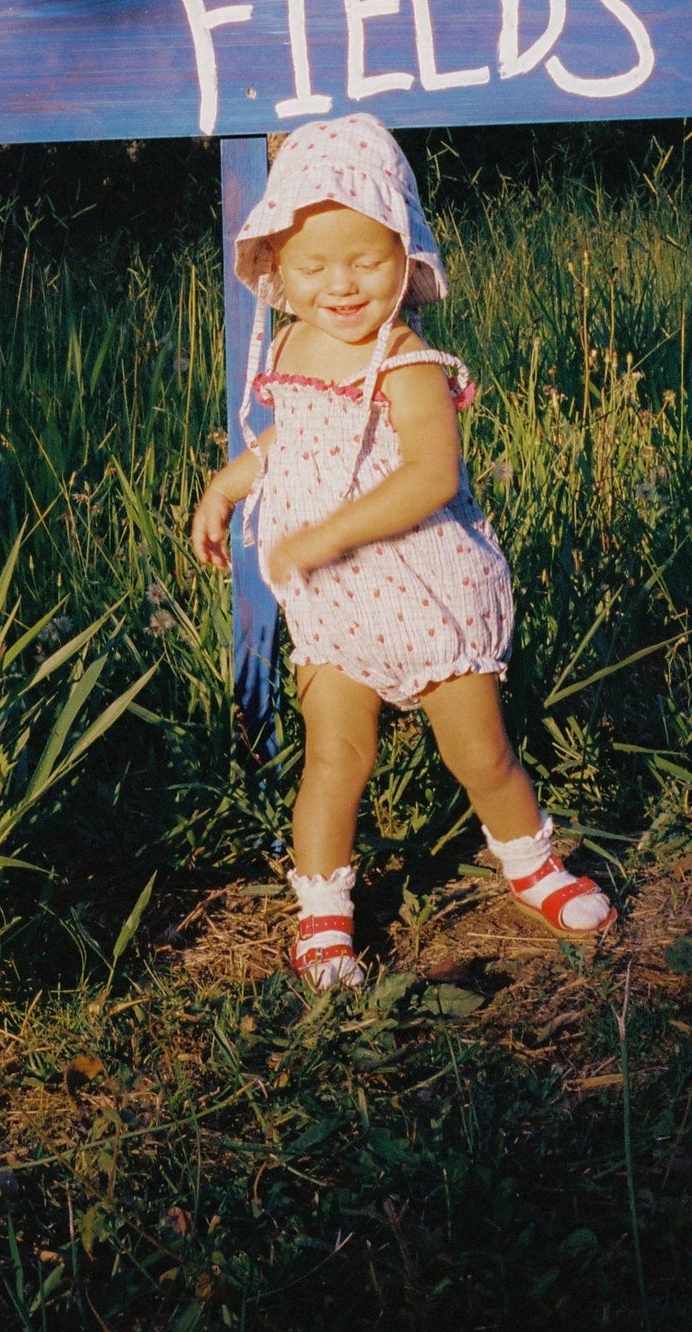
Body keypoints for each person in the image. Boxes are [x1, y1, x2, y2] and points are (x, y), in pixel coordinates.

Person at [190, 115, 615, 989]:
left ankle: (529, 861)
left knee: (479, 755)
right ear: (278, 268)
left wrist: (326, 534)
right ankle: (323, 913)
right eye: (313, 267)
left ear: (406, 254)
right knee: (335, 758)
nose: (341, 286)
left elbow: (430, 474)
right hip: (334, 608)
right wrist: (230, 483)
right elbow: (293, 441)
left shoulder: (406, 361)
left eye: (366, 261)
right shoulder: (301, 345)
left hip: (428, 592)